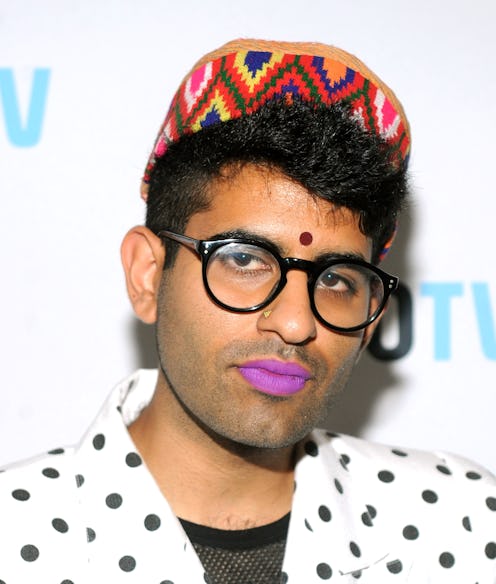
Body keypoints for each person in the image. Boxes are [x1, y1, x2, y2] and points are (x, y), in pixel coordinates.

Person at [1, 38, 495, 584]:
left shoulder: (461, 527)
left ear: (372, 314)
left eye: (336, 279)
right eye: (243, 259)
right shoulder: (16, 540)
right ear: (147, 275)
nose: (296, 323)